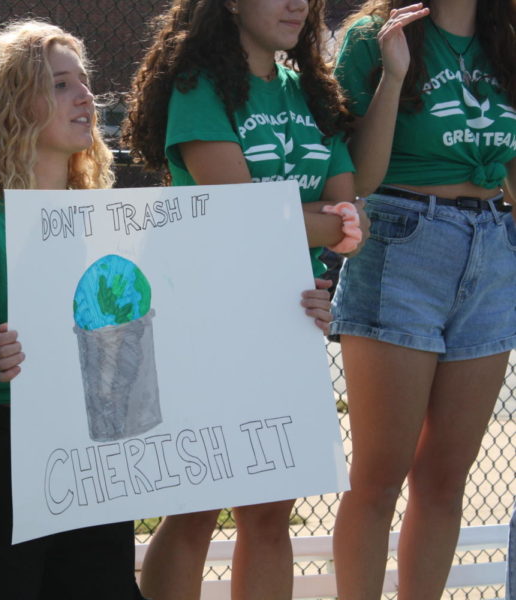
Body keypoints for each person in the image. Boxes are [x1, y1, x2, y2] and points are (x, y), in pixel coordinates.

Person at [123, 0, 366, 598]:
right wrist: (317, 221)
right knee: (194, 510)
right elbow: (238, 211)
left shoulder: (312, 91)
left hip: (290, 316)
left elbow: (347, 215)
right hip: (204, 317)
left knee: (268, 516)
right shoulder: (198, 85)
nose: (298, 5)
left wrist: (299, 219)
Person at [0, 20, 144, 600]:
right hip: (2, 449)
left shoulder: (105, 221)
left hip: (94, 448)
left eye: (85, 81)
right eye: (61, 84)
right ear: (13, 106)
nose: (86, 96)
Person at [330, 0, 516, 598]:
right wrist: (394, 74)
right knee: (379, 478)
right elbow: (359, 177)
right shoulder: (374, 36)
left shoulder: (505, 37)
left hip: (492, 245)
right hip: (402, 239)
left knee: (445, 479)